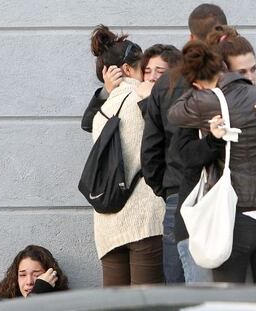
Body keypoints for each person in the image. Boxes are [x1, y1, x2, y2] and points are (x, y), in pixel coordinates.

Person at [167, 38, 256, 284]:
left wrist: (197, 85)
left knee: (229, 301)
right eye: (243, 71)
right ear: (225, 69)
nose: (251, 76)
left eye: (253, 69)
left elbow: (174, 113)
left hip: (234, 218)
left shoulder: (205, 102)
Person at [141, 2, 228, 284]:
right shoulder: (233, 78)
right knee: (225, 287)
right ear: (224, 37)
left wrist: (165, 187)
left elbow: (151, 150)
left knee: (178, 288)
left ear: (190, 38)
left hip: (178, 194)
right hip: (226, 193)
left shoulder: (166, 83)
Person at [90, 24, 165, 286]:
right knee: (148, 303)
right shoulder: (146, 97)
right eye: (143, 68)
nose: (148, 74)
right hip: (144, 216)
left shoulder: (101, 112)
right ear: (128, 69)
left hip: (107, 223)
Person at [81, 44, 181, 132]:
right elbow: (88, 124)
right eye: (146, 71)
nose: (151, 78)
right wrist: (106, 91)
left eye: (160, 72)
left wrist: (147, 99)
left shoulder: (183, 99)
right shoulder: (135, 96)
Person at [0, 245, 68, 300]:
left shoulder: (64, 305)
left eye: (36, 275)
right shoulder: (4, 303)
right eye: (22, 275)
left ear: (51, 277)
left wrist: (40, 289)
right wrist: (37, 294)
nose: (29, 282)